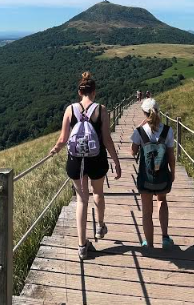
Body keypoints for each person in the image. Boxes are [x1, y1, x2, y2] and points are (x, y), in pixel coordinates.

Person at [51, 72, 122, 259]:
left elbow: (63, 139)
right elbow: (106, 139)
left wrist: (55, 149)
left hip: (76, 161)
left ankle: (82, 246)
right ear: (94, 92)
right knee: (98, 192)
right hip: (96, 159)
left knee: (82, 200)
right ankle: (100, 226)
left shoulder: (70, 109)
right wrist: (116, 161)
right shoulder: (101, 110)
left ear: (79, 92)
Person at [130, 98, 175, 249]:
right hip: (162, 176)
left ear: (144, 113)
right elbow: (171, 156)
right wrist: (172, 173)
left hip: (145, 177)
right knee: (162, 201)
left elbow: (132, 152)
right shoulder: (168, 131)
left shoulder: (140, 131)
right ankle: (165, 238)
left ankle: (149, 244)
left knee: (146, 210)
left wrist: (138, 128)